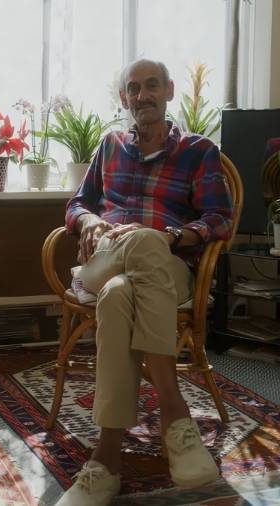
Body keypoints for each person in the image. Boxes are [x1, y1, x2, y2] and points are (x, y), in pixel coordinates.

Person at [56, 59, 233, 506]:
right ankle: (174, 410)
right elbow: (77, 205)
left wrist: (173, 236)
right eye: (133, 89)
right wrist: (92, 221)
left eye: (151, 86)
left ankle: (107, 458)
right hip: (104, 261)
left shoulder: (199, 151)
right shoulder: (110, 145)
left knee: (122, 291)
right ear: (124, 99)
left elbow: (219, 219)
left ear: (169, 91)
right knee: (133, 256)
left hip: (165, 267)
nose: (142, 95)